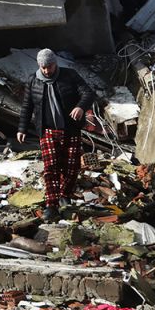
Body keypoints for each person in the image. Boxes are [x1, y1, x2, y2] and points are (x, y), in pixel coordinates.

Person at [15, 49, 96, 221]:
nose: (46, 71)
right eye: (43, 67)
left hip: (70, 129)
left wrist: (80, 107)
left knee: (71, 167)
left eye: (49, 66)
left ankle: (64, 195)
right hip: (47, 131)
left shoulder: (69, 76)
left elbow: (88, 93)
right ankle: (51, 205)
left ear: (55, 63)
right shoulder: (33, 80)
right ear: (39, 66)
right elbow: (27, 106)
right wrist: (21, 128)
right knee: (50, 168)